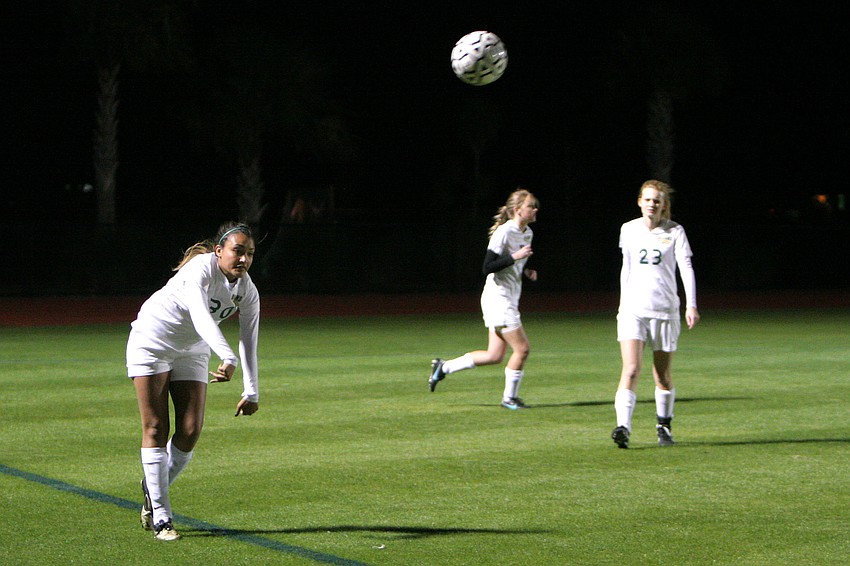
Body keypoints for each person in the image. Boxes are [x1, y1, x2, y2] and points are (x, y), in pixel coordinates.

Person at [126, 221, 261, 540]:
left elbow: (249, 337)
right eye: (237, 251)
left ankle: (152, 486)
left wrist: (251, 390)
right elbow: (201, 316)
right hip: (152, 342)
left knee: (189, 431)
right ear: (219, 251)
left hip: (193, 349)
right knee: (157, 428)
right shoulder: (200, 270)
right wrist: (226, 356)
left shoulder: (246, 290)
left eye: (250, 254)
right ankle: (161, 516)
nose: (243, 259)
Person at [429, 188, 539, 409]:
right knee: (522, 349)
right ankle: (509, 398)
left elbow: (514, 265)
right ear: (517, 210)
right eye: (531, 206)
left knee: (494, 355)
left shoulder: (527, 233)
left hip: (509, 297)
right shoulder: (504, 232)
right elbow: (487, 267)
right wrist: (514, 257)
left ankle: (444, 367)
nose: (535, 209)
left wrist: (525, 271)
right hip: (498, 298)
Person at [611, 180, 699, 448]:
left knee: (662, 375)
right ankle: (623, 427)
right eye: (647, 199)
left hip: (664, 310)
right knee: (631, 369)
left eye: (657, 200)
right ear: (640, 201)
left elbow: (685, 268)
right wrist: (622, 303)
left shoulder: (675, 231)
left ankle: (664, 425)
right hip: (633, 310)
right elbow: (626, 268)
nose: (652, 204)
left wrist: (690, 304)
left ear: (664, 205)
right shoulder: (628, 229)